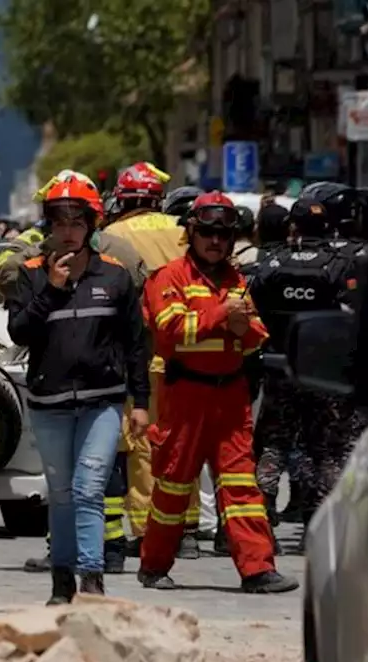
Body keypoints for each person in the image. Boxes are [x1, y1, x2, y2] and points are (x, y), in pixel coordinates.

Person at [137, 191, 297, 594]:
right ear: (191, 232)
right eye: (207, 232)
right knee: (174, 485)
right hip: (186, 396)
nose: (215, 241)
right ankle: (154, 566)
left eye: (223, 235)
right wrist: (223, 316)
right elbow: (170, 334)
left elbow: (255, 336)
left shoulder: (236, 279)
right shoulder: (168, 277)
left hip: (231, 397)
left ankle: (258, 569)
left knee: (242, 486)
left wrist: (241, 328)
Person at [6, 174, 150, 604]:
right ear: (48, 225)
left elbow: (135, 344)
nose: (67, 231)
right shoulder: (30, 275)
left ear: (92, 224)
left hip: (101, 401)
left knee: (90, 489)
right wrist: (51, 289)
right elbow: (19, 332)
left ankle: (92, 578)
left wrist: (140, 403)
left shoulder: (116, 277)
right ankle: (61, 580)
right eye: (59, 221)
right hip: (48, 404)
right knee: (63, 493)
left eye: (76, 221)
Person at [98, 163, 204, 560]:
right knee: (184, 439)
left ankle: (148, 529)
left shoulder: (110, 237)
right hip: (188, 348)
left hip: (138, 352)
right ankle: (188, 525)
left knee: (143, 444)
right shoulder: (182, 230)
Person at [248, 199, 350, 549]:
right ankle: (317, 529)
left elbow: (253, 311)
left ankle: (262, 527)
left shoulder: (272, 264)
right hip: (324, 374)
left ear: (293, 227)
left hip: (279, 366)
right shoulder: (339, 265)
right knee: (325, 451)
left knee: (273, 445)